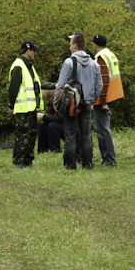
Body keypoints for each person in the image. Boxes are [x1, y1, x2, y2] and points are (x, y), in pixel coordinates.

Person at [55, 33, 103, 170]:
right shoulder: (94, 64)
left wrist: (56, 103)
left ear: (75, 46)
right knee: (87, 135)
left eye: (71, 45)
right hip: (87, 103)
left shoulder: (69, 62)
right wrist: (92, 99)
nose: (70, 48)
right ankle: (87, 163)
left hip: (71, 104)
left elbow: (61, 84)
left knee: (70, 134)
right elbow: (99, 85)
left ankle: (70, 165)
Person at [90, 35, 124, 166]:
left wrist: (102, 101)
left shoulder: (101, 57)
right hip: (112, 95)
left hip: (104, 98)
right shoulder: (110, 54)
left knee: (103, 129)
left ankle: (109, 159)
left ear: (95, 45)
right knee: (104, 128)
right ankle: (108, 159)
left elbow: (103, 79)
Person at [8, 40, 43, 167]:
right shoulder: (19, 66)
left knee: (32, 135)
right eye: (34, 51)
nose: (35, 54)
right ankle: (19, 161)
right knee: (22, 136)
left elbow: (37, 84)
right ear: (28, 50)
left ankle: (28, 160)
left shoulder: (29, 66)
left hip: (31, 107)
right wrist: (11, 106)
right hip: (22, 109)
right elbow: (13, 89)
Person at [37, 88, 65, 154]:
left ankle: (55, 149)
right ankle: (42, 150)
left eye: (49, 98)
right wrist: (45, 118)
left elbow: (60, 119)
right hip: (58, 124)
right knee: (42, 125)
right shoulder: (51, 104)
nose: (49, 100)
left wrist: (45, 117)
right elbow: (51, 116)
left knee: (51, 126)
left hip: (67, 126)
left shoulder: (62, 103)